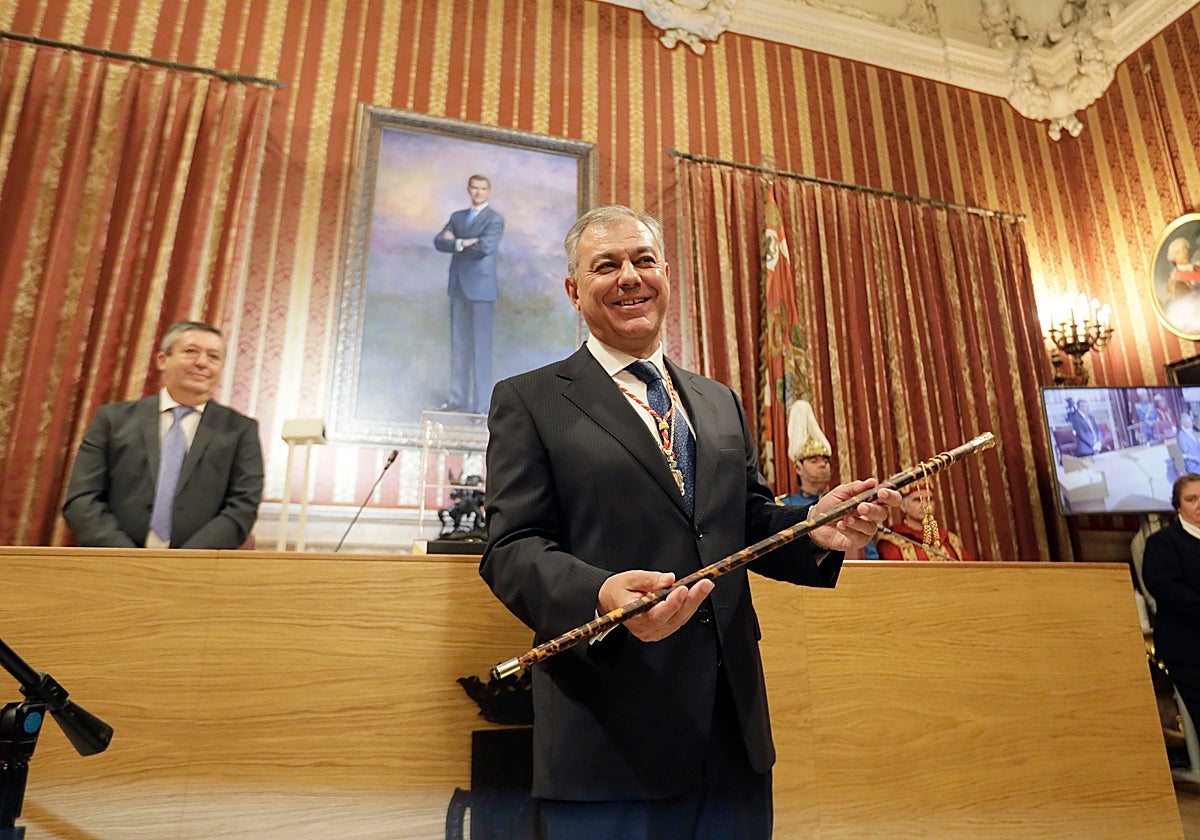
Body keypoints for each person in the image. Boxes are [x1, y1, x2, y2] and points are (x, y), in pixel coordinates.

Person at [479, 205, 899, 839]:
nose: (629, 276)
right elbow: (511, 548)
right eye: (606, 265)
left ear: (666, 275)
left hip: (734, 738)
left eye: (644, 260)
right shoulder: (530, 400)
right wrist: (599, 596)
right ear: (573, 290)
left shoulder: (717, 400)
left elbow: (745, 519)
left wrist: (813, 528)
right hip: (607, 743)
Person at [62, 321, 264, 549]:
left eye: (214, 357)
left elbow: (243, 507)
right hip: (114, 566)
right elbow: (82, 498)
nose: (202, 363)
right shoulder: (113, 420)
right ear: (162, 360)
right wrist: (126, 559)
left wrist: (180, 565)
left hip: (195, 573)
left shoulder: (240, 430)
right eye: (191, 352)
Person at [434, 174, 505, 414]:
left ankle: (481, 406)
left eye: (483, 189)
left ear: (488, 191)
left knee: (480, 348)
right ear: (468, 190)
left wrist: (456, 243)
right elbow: (438, 242)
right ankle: (458, 400)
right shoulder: (457, 217)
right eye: (474, 188)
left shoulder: (495, 219)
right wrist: (463, 243)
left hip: (482, 291)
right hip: (458, 288)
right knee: (460, 345)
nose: (478, 193)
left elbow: (484, 247)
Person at [1141, 473, 1200, 729]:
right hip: (1189, 649)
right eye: (1192, 499)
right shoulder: (1162, 543)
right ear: (1178, 506)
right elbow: (1166, 588)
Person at [779, 421, 879, 560]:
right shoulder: (783, 505)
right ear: (798, 469)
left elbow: (870, 556)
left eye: (825, 460)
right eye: (814, 460)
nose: (822, 465)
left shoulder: (845, 504)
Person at [876, 485, 973, 562]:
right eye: (918, 500)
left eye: (929, 499)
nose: (926, 505)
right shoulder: (892, 542)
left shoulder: (950, 539)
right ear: (903, 506)